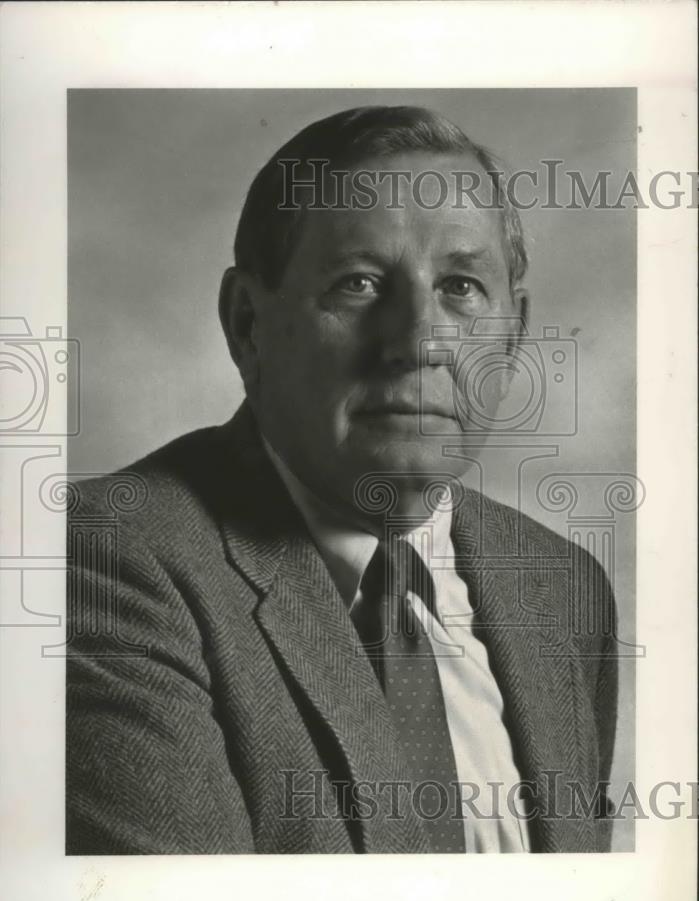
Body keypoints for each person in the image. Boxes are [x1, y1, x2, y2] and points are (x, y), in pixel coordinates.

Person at [66, 105, 618, 855]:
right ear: (247, 325)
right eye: (358, 283)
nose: (418, 341)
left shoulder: (563, 588)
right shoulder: (107, 563)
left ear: (513, 332)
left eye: (459, 287)